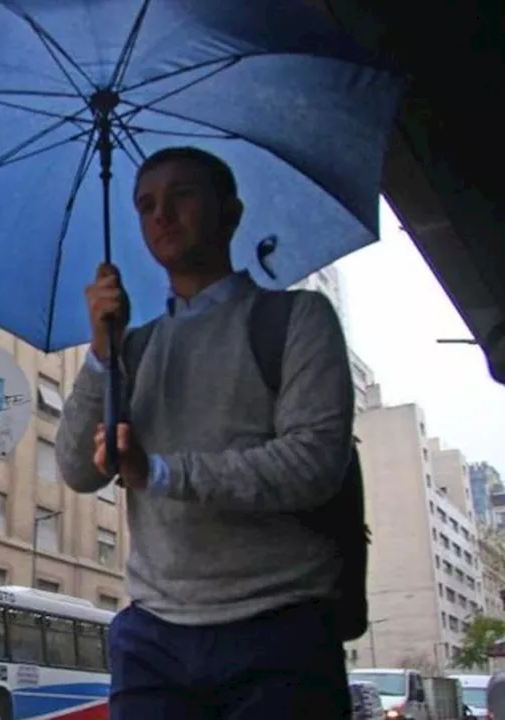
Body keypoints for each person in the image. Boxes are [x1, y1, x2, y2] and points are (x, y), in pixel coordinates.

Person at [56, 146, 356, 718]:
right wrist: (101, 352)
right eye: (145, 205)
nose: (160, 215)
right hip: (152, 639)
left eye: (181, 196)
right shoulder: (134, 347)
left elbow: (314, 463)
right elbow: (75, 469)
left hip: (279, 627)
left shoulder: (298, 319)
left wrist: (162, 472)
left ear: (231, 212)